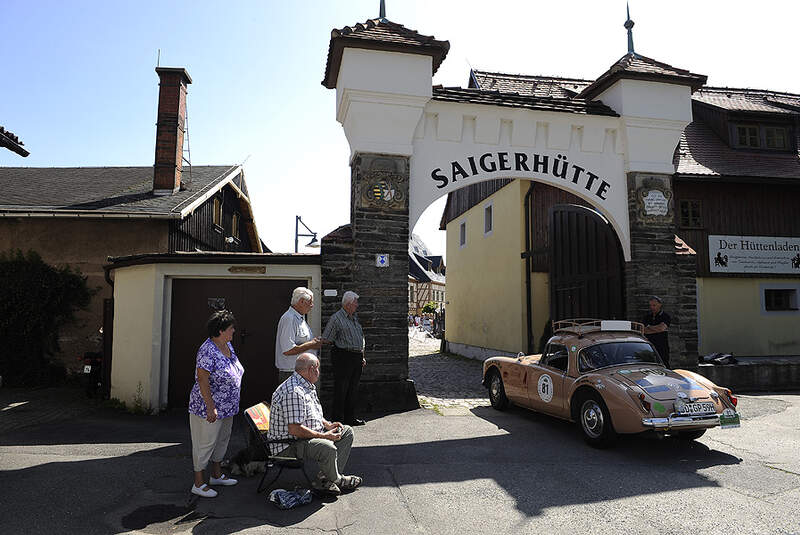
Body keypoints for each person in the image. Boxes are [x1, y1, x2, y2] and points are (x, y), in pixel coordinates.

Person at [267, 353, 362, 495]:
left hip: (302, 438)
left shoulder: (306, 385)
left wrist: (328, 425)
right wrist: (324, 436)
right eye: (318, 368)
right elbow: (295, 430)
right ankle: (337, 479)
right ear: (312, 369)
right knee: (327, 447)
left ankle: (324, 479)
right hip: (288, 445)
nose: (319, 371)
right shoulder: (294, 391)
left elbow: (313, 414)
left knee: (346, 431)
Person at [187, 309, 244, 498]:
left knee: (221, 441)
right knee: (205, 443)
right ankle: (198, 483)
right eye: (231, 328)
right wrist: (211, 407)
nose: (234, 331)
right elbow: (202, 380)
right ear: (220, 330)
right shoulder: (207, 350)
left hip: (227, 407)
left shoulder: (227, 346)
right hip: (208, 408)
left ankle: (216, 475)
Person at [322, 291, 366, 426]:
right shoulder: (336, 318)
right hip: (343, 356)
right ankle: (337, 420)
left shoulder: (354, 318)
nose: (357, 305)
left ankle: (350, 418)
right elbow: (327, 338)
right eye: (355, 303)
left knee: (353, 389)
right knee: (341, 389)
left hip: (356, 357)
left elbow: (360, 337)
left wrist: (361, 355)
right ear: (347, 304)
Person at [275, 287, 323, 384]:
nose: (312, 305)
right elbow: (288, 349)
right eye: (310, 302)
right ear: (301, 301)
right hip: (292, 372)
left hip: (300, 372)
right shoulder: (289, 318)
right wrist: (312, 344)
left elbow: (303, 342)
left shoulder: (300, 318)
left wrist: (314, 342)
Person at [643, 296, 671, 368]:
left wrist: (649, 327)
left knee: (664, 365)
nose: (652, 307)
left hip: (662, 346)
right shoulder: (647, 317)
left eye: (654, 305)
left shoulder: (665, 316)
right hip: (649, 347)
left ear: (660, 305)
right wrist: (656, 329)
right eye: (651, 305)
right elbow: (644, 330)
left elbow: (661, 328)